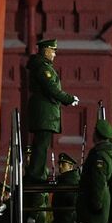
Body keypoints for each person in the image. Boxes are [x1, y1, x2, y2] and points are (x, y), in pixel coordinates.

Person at [25, 39, 78, 181]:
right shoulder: (43, 68)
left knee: (41, 145)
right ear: (46, 50)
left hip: (44, 113)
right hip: (44, 113)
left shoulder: (42, 66)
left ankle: (38, 173)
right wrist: (69, 99)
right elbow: (52, 89)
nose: (55, 54)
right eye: (53, 50)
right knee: (41, 146)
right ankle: (36, 175)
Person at [78, 119, 112, 223]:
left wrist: (96, 205)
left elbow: (97, 183)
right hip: (98, 203)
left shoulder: (99, 156)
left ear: (97, 134)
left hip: (96, 206)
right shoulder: (104, 153)